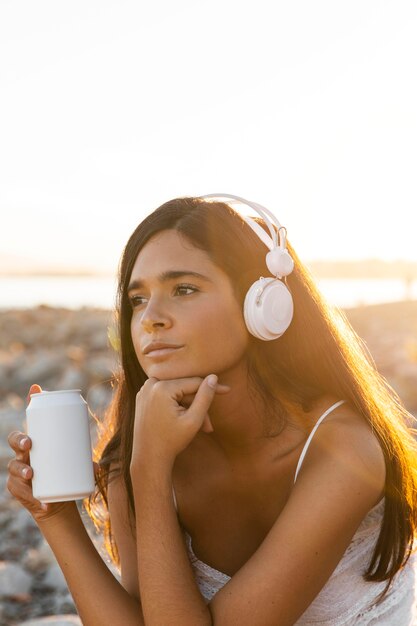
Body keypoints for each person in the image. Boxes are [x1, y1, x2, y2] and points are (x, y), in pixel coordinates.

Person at [7, 193, 417, 625]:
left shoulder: (344, 453)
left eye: (184, 289)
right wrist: (56, 518)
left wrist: (149, 471)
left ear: (263, 306)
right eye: (138, 299)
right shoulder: (146, 445)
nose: (151, 319)